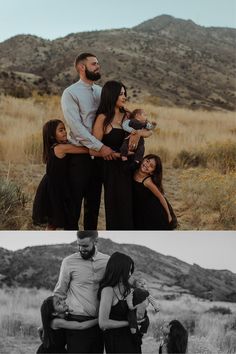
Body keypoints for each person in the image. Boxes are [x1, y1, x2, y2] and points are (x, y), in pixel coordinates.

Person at [61, 52, 114, 230]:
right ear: (82, 68)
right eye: (93, 64)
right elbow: (76, 127)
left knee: (93, 207)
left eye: (98, 63)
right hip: (80, 158)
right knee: (73, 205)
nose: (98, 66)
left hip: (99, 160)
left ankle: (91, 243)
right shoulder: (70, 93)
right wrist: (100, 147)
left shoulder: (101, 92)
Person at [92, 81, 150, 230]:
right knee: (119, 210)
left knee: (137, 207)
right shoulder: (102, 119)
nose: (124, 97)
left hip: (133, 167)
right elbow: (92, 150)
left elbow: (149, 131)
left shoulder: (129, 115)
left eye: (125, 94)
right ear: (111, 96)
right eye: (120, 94)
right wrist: (116, 154)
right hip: (113, 172)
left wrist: (137, 134)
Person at [53, 230, 109, 353]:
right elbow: (59, 292)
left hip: (99, 324)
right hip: (76, 322)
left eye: (85, 246)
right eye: (78, 245)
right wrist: (49, 320)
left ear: (95, 242)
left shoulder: (107, 261)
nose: (81, 249)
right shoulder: (68, 262)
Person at [32, 119, 88, 230]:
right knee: (55, 220)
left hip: (53, 185)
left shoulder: (58, 147)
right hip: (54, 188)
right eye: (61, 130)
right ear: (52, 135)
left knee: (54, 222)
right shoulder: (61, 148)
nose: (65, 132)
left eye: (64, 129)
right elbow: (87, 150)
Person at [98, 251, 142, 353]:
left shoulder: (128, 288)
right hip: (117, 340)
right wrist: (129, 323)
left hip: (132, 337)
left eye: (131, 271)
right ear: (118, 269)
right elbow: (103, 323)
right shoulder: (108, 290)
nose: (130, 274)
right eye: (128, 270)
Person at [133, 154, 176, 230]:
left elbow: (161, 197)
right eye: (147, 161)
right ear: (143, 159)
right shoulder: (134, 170)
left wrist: (169, 215)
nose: (147, 165)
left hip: (154, 210)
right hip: (142, 208)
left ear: (152, 172)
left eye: (151, 166)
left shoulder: (147, 181)